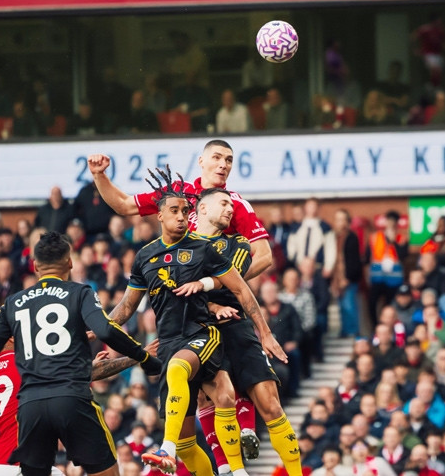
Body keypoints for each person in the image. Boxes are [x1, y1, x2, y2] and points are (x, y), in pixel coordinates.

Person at [103, 168, 286, 475]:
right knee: (191, 440)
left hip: (202, 334)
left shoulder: (205, 247)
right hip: (169, 341)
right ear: (159, 215)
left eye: (185, 211)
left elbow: (241, 289)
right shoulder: (145, 257)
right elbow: (126, 307)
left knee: (195, 378)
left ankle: (170, 449)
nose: (181, 216)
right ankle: (219, 466)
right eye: (174, 211)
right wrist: (96, 327)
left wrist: (264, 332)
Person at [0, 231, 163, 476]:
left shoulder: (13, 307)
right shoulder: (78, 293)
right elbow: (104, 332)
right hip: (67, 404)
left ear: (35, 266)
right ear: (70, 262)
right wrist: (141, 357)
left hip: (12, 435)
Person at [180, 188, 304, 476]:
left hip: (236, 323)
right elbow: (174, 293)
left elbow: (233, 281)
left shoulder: (237, 243)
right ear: (202, 209)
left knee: (270, 402)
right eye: (224, 203)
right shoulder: (180, 248)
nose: (230, 209)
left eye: (232, 205)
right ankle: (229, 469)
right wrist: (211, 306)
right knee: (211, 396)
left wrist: (265, 332)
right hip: (199, 327)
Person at [0, 311, 159, 476]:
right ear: (10, 337)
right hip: (15, 463)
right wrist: (139, 356)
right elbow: (91, 372)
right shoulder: (26, 362)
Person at [89, 139, 274, 282]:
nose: (223, 164)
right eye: (216, 157)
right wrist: (99, 175)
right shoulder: (177, 191)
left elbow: (264, 256)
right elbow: (124, 205)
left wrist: (224, 284)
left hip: (212, 298)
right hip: (174, 287)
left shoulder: (234, 204)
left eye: (229, 160)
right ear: (201, 161)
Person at [411, 14, 445, 87]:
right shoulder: (425, 29)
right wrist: (416, 49)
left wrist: (444, 47)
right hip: (429, 54)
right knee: (433, 70)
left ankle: (437, 86)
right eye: (439, 21)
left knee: (439, 72)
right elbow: (413, 37)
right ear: (434, 21)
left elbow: (443, 42)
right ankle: (431, 86)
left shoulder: (441, 30)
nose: (440, 22)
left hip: (438, 54)